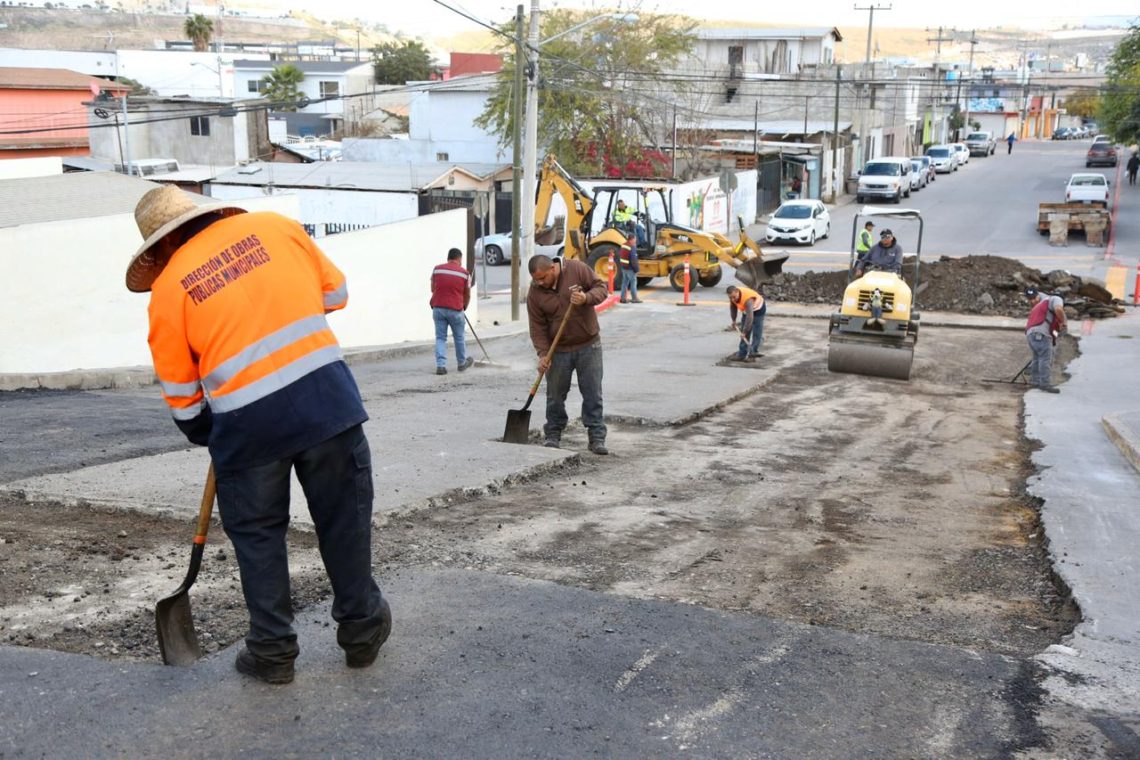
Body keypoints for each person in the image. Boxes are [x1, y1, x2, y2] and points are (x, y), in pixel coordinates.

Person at [126, 186, 390, 685]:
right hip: (325, 402)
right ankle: (362, 632)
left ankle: (272, 651)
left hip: (247, 428)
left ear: (161, 247)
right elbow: (335, 294)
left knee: (258, 537)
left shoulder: (168, 290)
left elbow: (182, 394)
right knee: (343, 521)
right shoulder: (276, 227)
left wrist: (208, 429)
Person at [527, 254, 610, 454]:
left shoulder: (577, 269)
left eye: (542, 278)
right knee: (554, 396)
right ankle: (553, 434)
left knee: (592, 393)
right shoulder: (535, 292)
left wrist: (586, 298)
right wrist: (543, 354)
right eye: (535, 279)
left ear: (553, 269)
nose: (539, 282)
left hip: (588, 345)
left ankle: (596, 437)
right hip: (559, 351)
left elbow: (601, 288)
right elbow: (537, 327)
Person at [430, 247, 473, 375]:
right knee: (459, 337)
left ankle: (441, 366)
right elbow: (468, 294)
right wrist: (464, 306)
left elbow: (433, 288)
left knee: (440, 337)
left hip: (438, 308)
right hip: (456, 310)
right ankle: (461, 363)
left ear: (448, 258)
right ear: (459, 259)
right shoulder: (465, 274)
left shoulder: (437, 269)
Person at [1025, 287, 1067, 394]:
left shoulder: (1042, 303)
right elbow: (1058, 309)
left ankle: (1035, 381)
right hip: (1040, 333)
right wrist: (1063, 322)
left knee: (1037, 358)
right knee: (1045, 358)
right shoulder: (1056, 299)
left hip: (1030, 334)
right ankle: (1045, 384)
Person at [726, 284, 766, 362]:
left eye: (734, 297)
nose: (732, 299)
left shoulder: (748, 299)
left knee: (756, 333)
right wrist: (733, 320)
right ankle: (742, 354)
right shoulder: (733, 296)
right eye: (730, 297)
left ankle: (752, 354)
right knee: (744, 334)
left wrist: (745, 331)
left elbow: (750, 317)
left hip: (758, 309)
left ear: (737, 292)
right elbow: (733, 308)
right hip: (746, 309)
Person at [618, 234, 641, 304]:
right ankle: (634, 298)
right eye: (635, 239)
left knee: (624, 283)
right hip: (630, 268)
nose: (635, 240)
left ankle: (623, 298)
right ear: (632, 239)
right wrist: (636, 269)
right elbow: (633, 260)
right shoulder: (632, 247)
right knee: (633, 282)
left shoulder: (623, 245)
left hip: (623, 267)